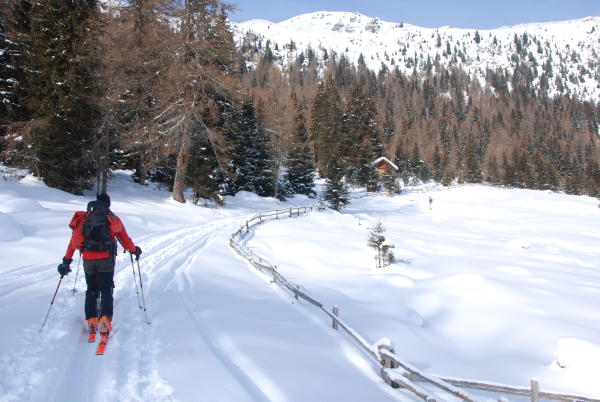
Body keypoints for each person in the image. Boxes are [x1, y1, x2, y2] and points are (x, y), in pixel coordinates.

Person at [57, 193, 141, 335]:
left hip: (88, 260)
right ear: (108, 204)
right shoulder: (111, 218)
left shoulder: (85, 218)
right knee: (106, 289)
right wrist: (134, 250)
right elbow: (124, 238)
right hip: (106, 260)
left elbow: (73, 242)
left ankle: (91, 319)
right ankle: (105, 319)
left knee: (91, 289)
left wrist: (66, 261)